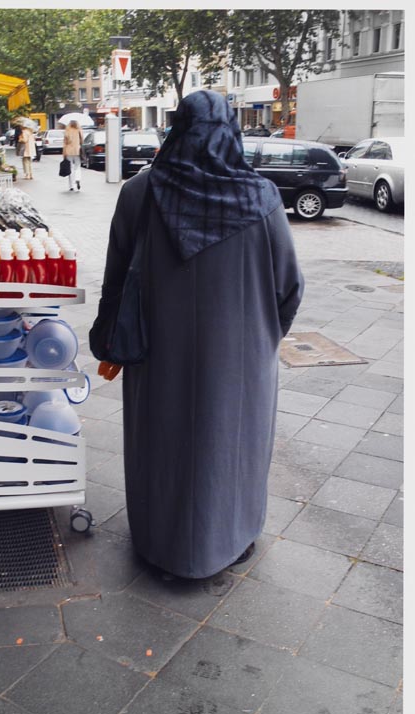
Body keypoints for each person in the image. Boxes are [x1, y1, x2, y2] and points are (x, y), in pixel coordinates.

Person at [91, 90, 304, 579]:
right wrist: (262, 339)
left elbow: (116, 278)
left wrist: (108, 340)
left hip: (158, 352)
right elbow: (288, 287)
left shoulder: (139, 193)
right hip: (241, 361)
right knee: (233, 448)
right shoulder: (262, 198)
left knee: (159, 443)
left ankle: (158, 542)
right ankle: (229, 539)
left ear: (177, 129)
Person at [62, 120, 84, 191]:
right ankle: (77, 179)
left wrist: (64, 153)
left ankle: (71, 186)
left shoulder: (67, 131)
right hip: (77, 150)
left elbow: (65, 143)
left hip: (69, 151)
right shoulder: (79, 130)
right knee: (77, 166)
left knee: (70, 168)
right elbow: (82, 141)